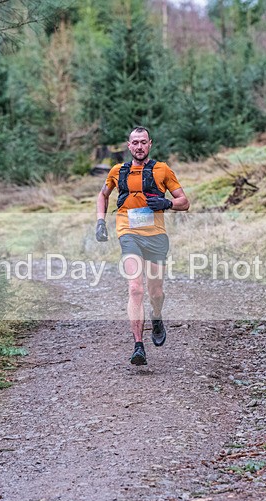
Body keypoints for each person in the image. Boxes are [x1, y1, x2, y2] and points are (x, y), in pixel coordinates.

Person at [95, 126, 190, 366]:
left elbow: (184, 202)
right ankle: (138, 345)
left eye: (143, 142)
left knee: (155, 292)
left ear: (150, 144)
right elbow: (103, 195)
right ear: (129, 146)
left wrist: (167, 203)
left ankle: (157, 316)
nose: (139, 146)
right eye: (134, 142)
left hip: (156, 235)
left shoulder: (162, 170)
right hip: (128, 233)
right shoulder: (118, 171)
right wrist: (100, 221)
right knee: (135, 288)